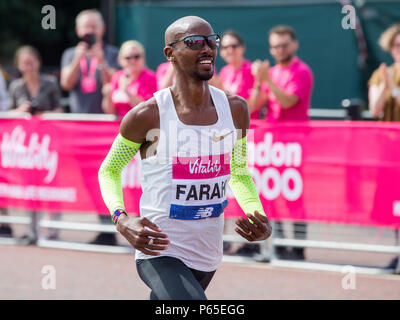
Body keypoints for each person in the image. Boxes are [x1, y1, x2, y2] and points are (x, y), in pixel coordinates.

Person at [98, 16, 272, 300]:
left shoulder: (236, 109)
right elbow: (109, 170)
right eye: (193, 42)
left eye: (210, 40)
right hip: (159, 249)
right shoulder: (148, 115)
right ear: (170, 54)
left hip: (207, 253)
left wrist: (257, 212)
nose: (207, 48)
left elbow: (239, 174)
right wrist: (121, 217)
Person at [249, 25, 314, 260]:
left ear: (294, 44)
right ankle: (277, 244)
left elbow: (287, 101)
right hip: (273, 145)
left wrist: (268, 80)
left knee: (293, 194)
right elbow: (255, 105)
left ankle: (297, 248)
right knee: (270, 193)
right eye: (275, 46)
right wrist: (259, 82)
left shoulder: (301, 71)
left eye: (284, 45)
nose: (279, 50)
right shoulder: (272, 72)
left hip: (294, 144)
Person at [61, 9, 120, 245]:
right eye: (85, 28)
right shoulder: (70, 54)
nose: (89, 32)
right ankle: (105, 227)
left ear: (102, 29)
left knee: (107, 177)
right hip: (80, 130)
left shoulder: (112, 53)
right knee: (89, 180)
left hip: (104, 129)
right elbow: (67, 83)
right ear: (78, 31)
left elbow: (115, 83)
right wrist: (78, 58)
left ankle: (114, 225)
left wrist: (102, 61)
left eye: (93, 27)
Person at [8, 45, 63, 242]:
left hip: (48, 142)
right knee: (29, 186)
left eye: (31, 62)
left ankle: (53, 229)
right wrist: (21, 111)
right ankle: (32, 230)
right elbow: (8, 115)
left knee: (50, 183)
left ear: (38, 63)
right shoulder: (16, 87)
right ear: (19, 66)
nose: (29, 66)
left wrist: (45, 116)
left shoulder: (50, 83)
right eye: (25, 63)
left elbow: (60, 110)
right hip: (27, 146)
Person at [368, 24, 400, 271]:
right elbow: (375, 109)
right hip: (389, 151)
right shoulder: (381, 74)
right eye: (397, 45)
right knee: (392, 202)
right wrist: (387, 85)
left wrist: (395, 89)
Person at [102, 40, 157, 118]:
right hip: (120, 126)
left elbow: (147, 109)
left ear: (143, 58)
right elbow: (110, 111)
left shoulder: (149, 77)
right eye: (128, 58)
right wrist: (107, 96)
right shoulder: (117, 77)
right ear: (120, 61)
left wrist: (127, 92)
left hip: (140, 125)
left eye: (136, 57)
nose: (132, 61)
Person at [219, 30, 260, 119]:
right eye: (224, 47)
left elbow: (251, 107)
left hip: (248, 127)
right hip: (230, 126)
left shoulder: (251, 71)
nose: (229, 50)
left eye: (233, 46)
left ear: (242, 48)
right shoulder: (224, 71)